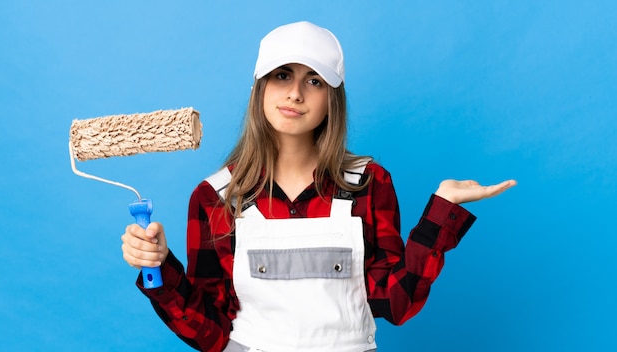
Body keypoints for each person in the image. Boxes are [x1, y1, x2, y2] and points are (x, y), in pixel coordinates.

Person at [121, 21, 516, 352]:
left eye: (314, 80)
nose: (295, 93)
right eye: (282, 76)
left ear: (333, 98)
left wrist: (441, 211)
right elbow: (211, 331)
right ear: (260, 86)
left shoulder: (368, 184)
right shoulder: (216, 197)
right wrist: (158, 265)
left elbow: (395, 303)